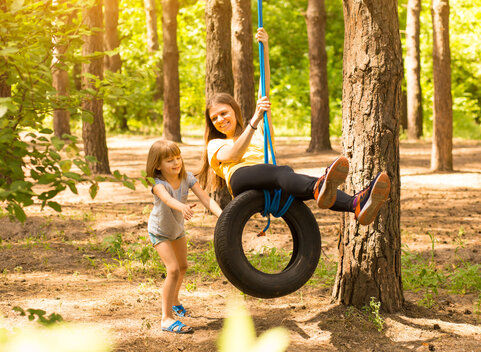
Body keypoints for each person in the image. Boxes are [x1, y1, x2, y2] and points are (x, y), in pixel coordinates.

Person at [197, 28, 390, 224]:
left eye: (224, 113)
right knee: (283, 172)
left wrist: (265, 48)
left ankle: (355, 204)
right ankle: (320, 185)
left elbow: (264, 89)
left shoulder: (259, 133)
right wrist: (254, 120)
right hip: (241, 179)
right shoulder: (215, 143)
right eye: (214, 118)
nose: (220, 119)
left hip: (271, 179)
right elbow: (234, 156)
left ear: (234, 111)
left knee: (296, 184)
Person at [146, 139, 222, 334]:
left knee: (183, 267)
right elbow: (167, 199)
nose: (176, 163)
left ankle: (175, 300)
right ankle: (166, 319)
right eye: (169, 160)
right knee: (172, 270)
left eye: (178, 158)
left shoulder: (187, 178)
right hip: (159, 231)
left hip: (176, 229)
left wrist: (223, 217)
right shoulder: (158, 184)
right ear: (158, 165)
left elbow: (206, 199)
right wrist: (182, 207)